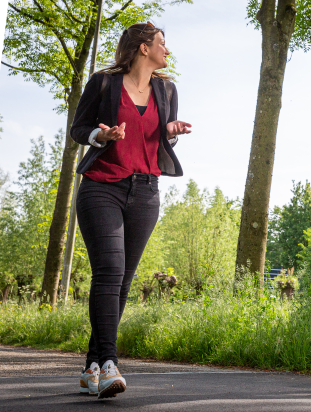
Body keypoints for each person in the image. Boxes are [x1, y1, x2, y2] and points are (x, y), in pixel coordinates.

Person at [69, 22, 191, 399]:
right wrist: (100, 135)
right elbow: (79, 128)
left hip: (146, 190)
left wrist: (169, 130)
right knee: (109, 271)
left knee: (122, 280)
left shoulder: (166, 89)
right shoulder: (103, 83)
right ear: (142, 48)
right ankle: (109, 363)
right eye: (161, 44)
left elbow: (155, 137)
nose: (166, 51)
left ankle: (92, 365)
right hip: (102, 186)